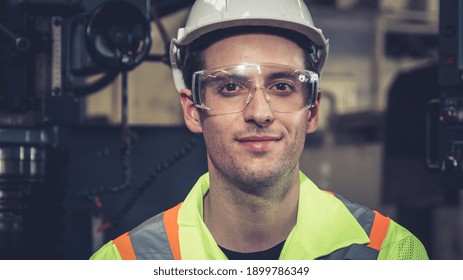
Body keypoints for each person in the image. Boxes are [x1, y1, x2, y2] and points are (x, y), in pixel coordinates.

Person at [90, 0, 428, 260]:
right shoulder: (124, 263)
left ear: (312, 111)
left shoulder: (391, 255)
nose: (260, 113)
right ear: (192, 111)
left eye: (282, 86)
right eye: (230, 87)